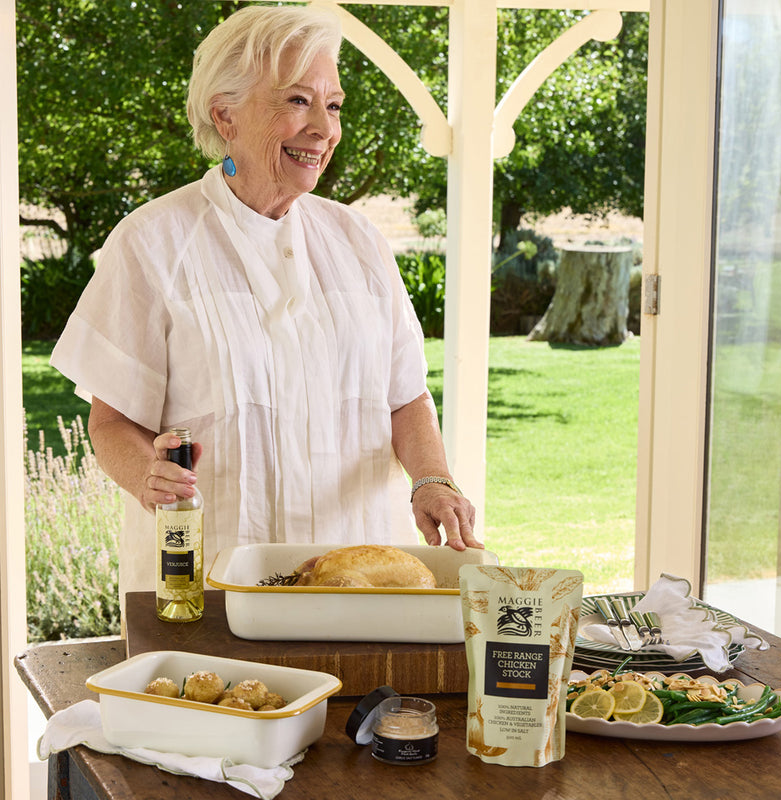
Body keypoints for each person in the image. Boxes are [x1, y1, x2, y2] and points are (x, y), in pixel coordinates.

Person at [50, 4, 481, 609]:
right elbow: (112, 422)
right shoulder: (153, 242)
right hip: (211, 592)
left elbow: (405, 398)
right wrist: (147, 474)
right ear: (224, 115)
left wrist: (432, 480)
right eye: (298, 101)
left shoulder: (360, 242)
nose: (324, 129)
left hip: (361, 589)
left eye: (334, 106)